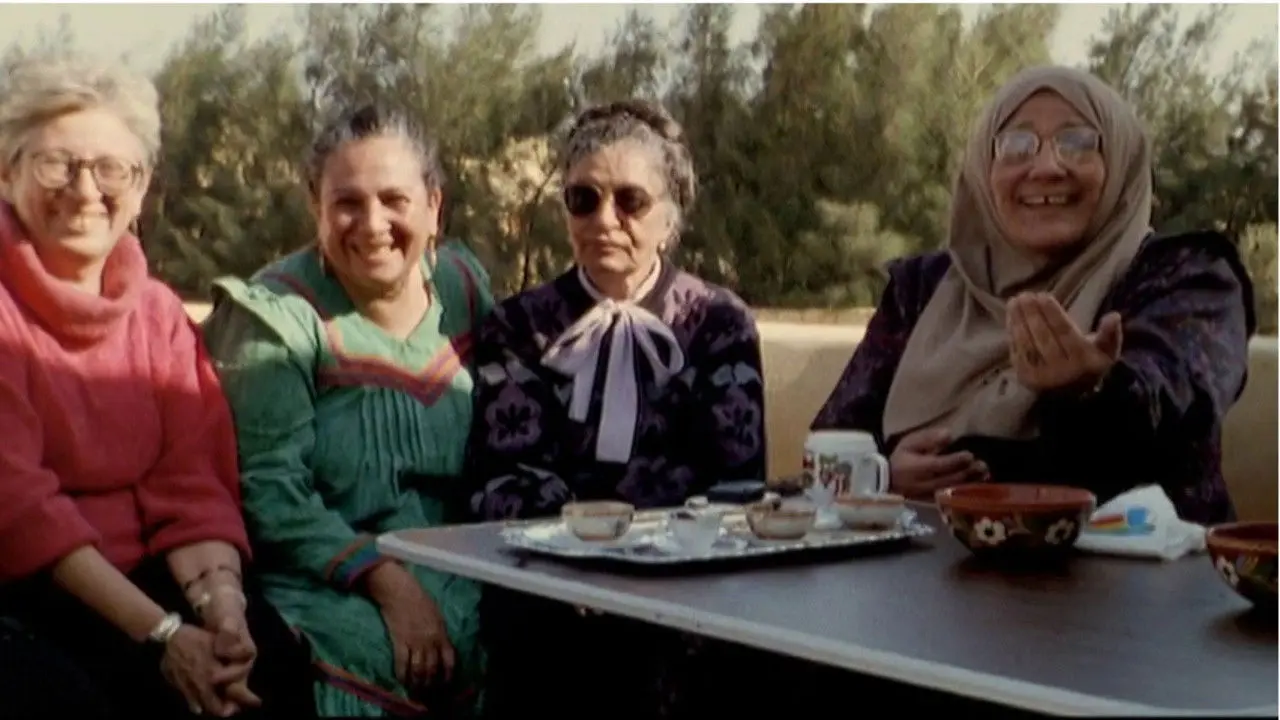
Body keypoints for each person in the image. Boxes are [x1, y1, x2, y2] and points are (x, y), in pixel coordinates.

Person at [0, 56, 315, 718]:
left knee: (270, 666)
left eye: (112, 168)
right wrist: (165, 635)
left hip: (144, 574)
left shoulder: (159, 314)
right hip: (25, 583)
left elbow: (192, 482)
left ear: (140, 190)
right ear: (8, 173)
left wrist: (222, 612)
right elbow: (19, 505)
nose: (87, 189)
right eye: (57, 163)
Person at [810, 66, 1255, 524]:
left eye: (1078, 142)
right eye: (1016, 145)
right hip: (928, 584)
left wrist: (1093, 388)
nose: (1045, 168)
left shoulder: (1186, 276)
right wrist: (883, 477)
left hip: (1135, 584)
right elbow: (829, 449)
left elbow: (1182, 410)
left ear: (1122, 161)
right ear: (984, 170)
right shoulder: (922, 289)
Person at [465, 99, 767, 718]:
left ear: (670, 218)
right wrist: (585, 559)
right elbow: (503, 477)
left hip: (683, 582)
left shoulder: (718, 323)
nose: (605, 219)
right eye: (584, 199)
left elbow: (737, 481)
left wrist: (633, 560)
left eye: (631, 201)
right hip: (552, 582)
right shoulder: (518, 326)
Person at [202, 103, 493, 717]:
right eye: (347, 202)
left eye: (395, 199)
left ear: (434, 207)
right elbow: (269, 491)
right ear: (315, 204)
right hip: (326, 579)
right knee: (378, 655)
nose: (372, 223)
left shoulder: (464, 290)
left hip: (461, 568)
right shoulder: (276, 317)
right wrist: (389, 584)